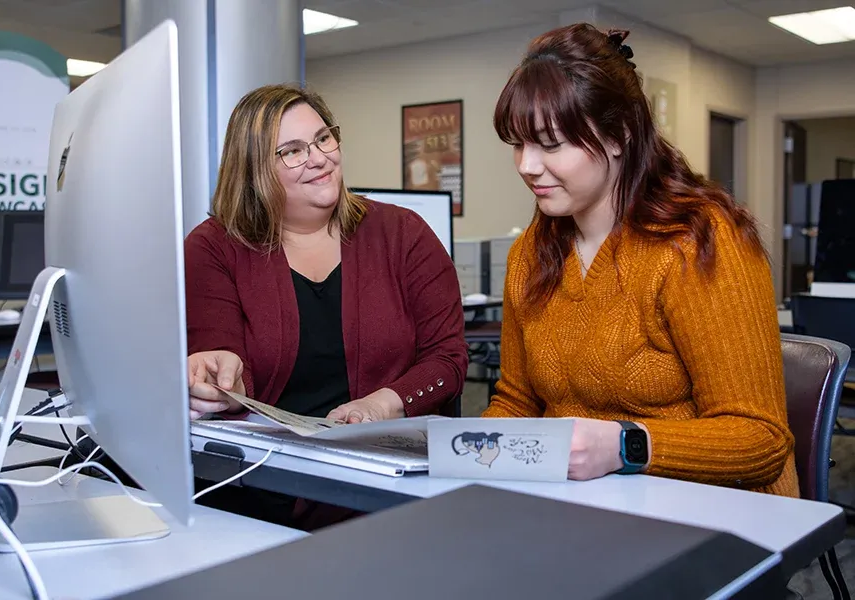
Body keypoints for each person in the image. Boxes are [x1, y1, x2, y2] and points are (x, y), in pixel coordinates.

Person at [483, 23, 799, 498]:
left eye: (550, 144)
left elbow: (760, 437)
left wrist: (627, 444)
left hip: (717, 512)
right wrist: (470, 453)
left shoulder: (699, 240)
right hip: (588, 509)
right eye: (518, 143)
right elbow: (517, 402)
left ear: (619, 135)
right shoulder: (530, 253)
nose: (527, 165)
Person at [183, 84, 468, 526]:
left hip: (385, 481)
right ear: (254, 168)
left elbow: (447, 358)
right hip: (263, 484)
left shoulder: (403, 233)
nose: (319, 158)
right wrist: (220, 384)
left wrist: (382, 404)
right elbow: (222, 357)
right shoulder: (213, 248)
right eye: (292, 151)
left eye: (323, 138)